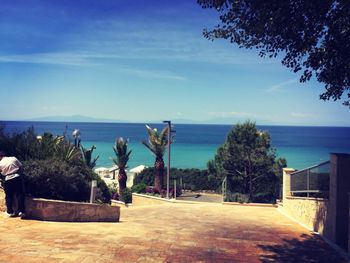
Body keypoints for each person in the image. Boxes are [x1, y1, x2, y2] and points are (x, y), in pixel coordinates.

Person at [0, 151, 26, 218]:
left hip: (7, 179)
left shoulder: (0, 163)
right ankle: (21, 212)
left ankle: (10, 212)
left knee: (9, 196)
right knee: (20, 194)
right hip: (17, 177)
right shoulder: (13, 158)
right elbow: (21, 167)